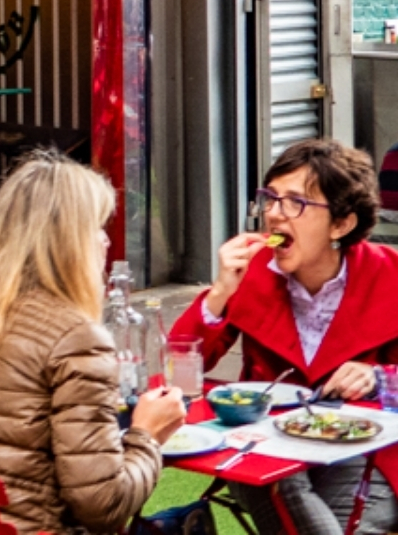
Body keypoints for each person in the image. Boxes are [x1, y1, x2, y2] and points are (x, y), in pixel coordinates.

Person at [0, 149, 186, 535]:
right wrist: (147, 435)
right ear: (69, 243)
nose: (105, 242)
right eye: (97, 229)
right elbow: (103, 505)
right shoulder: (75, 337)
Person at [170, 137, 398, 535]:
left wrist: (379, 377)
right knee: (277, 478)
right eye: (270, 199)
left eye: (295, 203)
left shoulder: (390, 274)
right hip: (265, 446)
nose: (274, 216)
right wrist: (220, 292)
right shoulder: (251, 274)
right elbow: (180, 370)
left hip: (367, 450)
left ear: (341, 223)